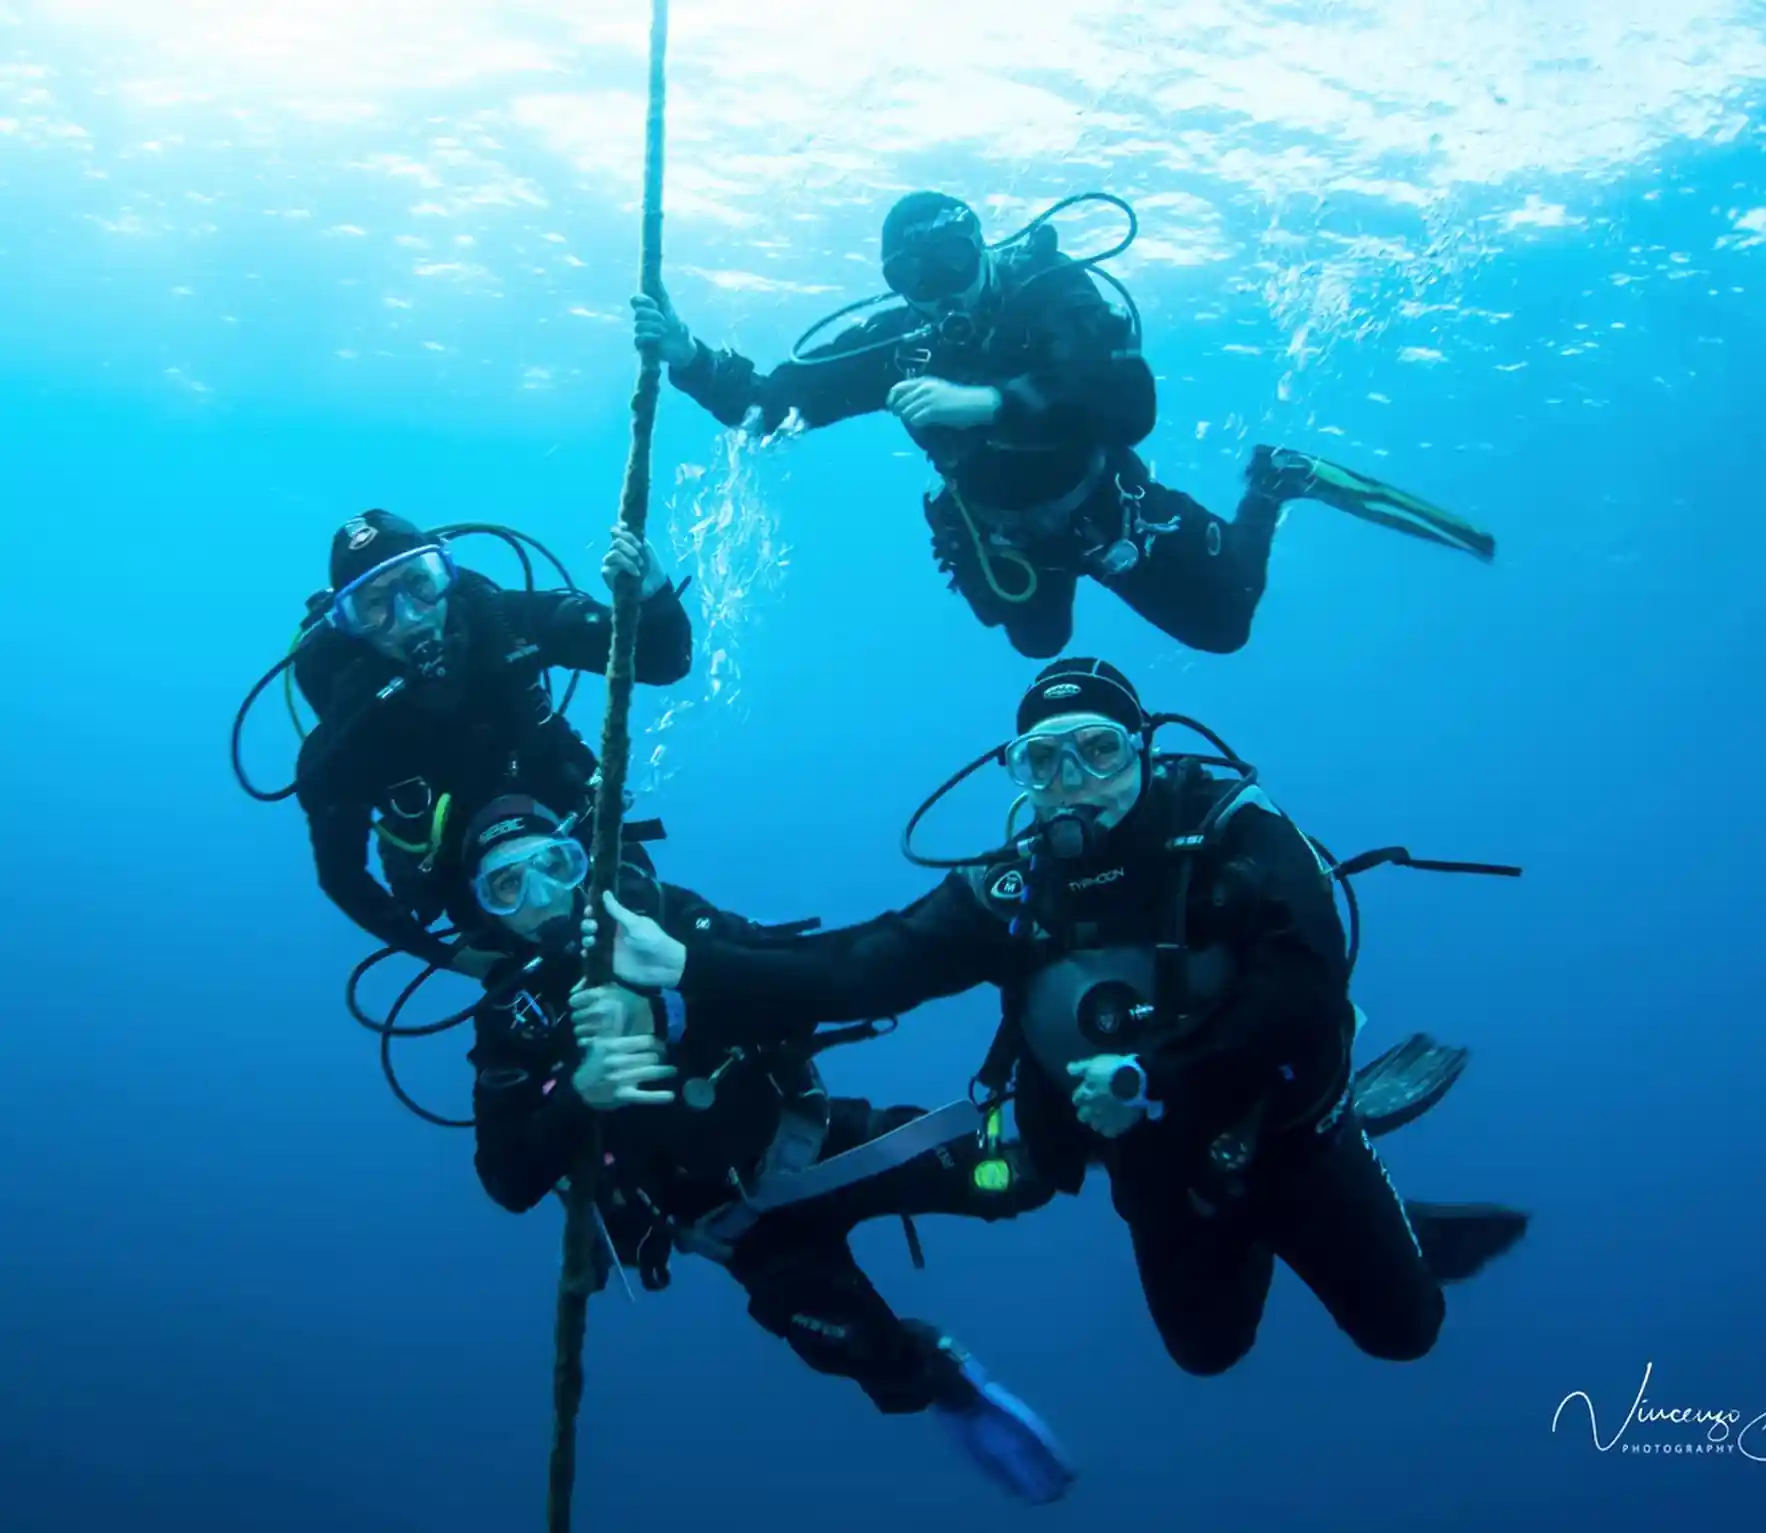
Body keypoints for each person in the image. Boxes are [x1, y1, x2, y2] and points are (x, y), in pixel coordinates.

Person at [594, 659, 1531, 1377]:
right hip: (1155, 1161)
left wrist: (1154, 1076)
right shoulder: (1014, 883)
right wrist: (689, 965)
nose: (1073, 779)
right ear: (1020, 774)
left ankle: (1369, 1215)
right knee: (1208, 1353)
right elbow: (864, 967)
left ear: (1144, 750)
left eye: (1099, 749)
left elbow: (1305, 992)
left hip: (1286, 1126)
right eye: (1043, 759)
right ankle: (1300, 1225)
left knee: (1405, 1334)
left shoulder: (1233, 834)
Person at [459, 794, 1076, 1506]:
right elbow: (505, 1179)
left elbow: (796, 984)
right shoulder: (512, 1023)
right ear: (490, 912)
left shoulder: (654, 911)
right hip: (735, 1229)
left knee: (1016, 1176)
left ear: (583, 860)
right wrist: (578, 1093)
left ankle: (1137, 1128)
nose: (541, 898)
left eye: (553, 865)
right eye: (508, 886)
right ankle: (947, 1383)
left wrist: (674, 1001)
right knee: (869, 1359)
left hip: (818, 1142)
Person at [632, 190, 1496, 659]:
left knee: (1224, 629)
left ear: (981, 249)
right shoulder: (900, 340)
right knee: (1037, 643)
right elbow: (773, 408)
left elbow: (1130, 403)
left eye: (950, 264)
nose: (937, 292)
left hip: (1105, 503)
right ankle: (1038, 577)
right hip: (997, 529)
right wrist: (685, 353)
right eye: (913, 278)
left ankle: (1274, 485)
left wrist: (996, 403)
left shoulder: (1052, 293)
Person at [292, 511, 692, 977]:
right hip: (471, 887)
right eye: (374, 605)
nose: (408, 615)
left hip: (573, 819)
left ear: (446, 573)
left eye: (420, 582)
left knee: (654, 926)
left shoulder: (505, 623)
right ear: (348, 623)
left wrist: (653, 592)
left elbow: (663, 661)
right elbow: (341, 877)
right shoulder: (345, 741)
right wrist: (453, 958)